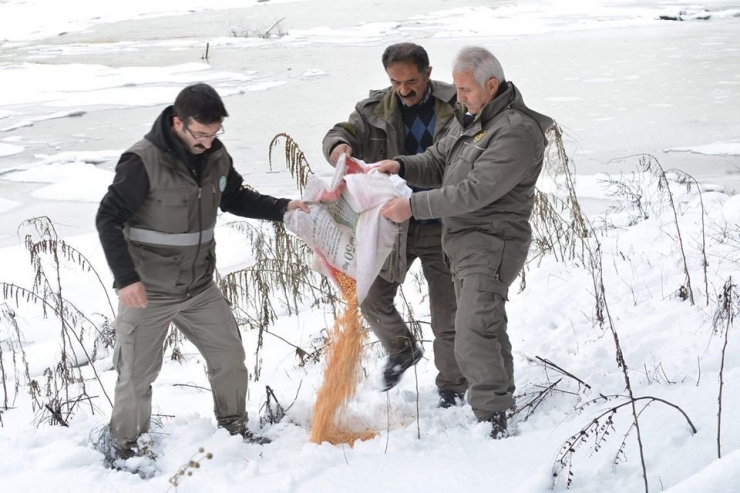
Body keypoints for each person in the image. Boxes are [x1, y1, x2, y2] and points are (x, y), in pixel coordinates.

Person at [96, 83, 308, 461]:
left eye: (215, 134)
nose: (208, 142)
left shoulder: (215, 156)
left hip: (198, 287)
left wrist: (284, 207)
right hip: (150, 289)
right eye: (201, 134)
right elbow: (107, 218)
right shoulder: (141, 161)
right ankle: (126, 449)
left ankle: (234, 428)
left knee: (229, 358)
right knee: (135, 375)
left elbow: (235, 197)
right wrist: (126, 278)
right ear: (178, 122)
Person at [377, 46, 553, 438]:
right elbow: (439, 160)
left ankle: (492, 419)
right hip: (461, 240)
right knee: (484, 323)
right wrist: (401, 164)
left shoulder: (517, 132)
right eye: (457, 89)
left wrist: (412, 205)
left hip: (493, 239)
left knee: (472, 327)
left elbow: (474, 191)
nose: (458, 98)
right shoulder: (472, 119)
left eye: (465, 90)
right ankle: (501, 397)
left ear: (491, 86)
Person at [322, 43, 467, 408]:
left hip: (441, 222)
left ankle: (452, 387)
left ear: (428, 73)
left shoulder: (457, 106)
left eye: (412, 81)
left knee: (447, 316)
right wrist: (338, 147)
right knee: (368, 294)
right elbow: (339, 132)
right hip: (391, 225)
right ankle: (402, 350)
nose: (404, 90)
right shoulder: (373, 111)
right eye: (396, 82)